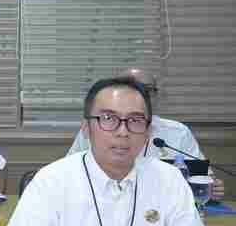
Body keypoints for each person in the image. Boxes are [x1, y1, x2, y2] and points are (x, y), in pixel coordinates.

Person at [0, 76, 214, 226]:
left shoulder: (169, 179)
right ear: (86, 128)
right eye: (108, 118)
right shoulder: (53, 179)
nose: (123, 132)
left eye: (135, 120)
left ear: (148, 132)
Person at [66, 67, 224, 199]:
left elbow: (203, 179)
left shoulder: (178, 133)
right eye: (131, 88)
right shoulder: (96, 127)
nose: (140, 95)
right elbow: (69, 174)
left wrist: (211, 188)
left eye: (147, 89)